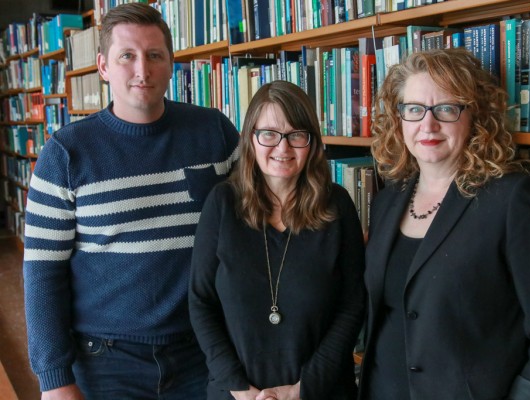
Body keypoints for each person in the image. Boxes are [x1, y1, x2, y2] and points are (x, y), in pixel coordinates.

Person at [23, 3, 239, 399]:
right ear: (104, 66)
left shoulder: (214, 132)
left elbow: (254, 224)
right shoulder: (65, 154)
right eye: (128, 56)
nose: (143, 70)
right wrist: (54, 379)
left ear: (172, 62)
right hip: (106, 361)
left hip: (203, 351)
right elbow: (42, 273)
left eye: (155, 55)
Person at [358, 48, 530, 399]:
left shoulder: (513, 199)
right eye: (414, 109)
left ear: (475, 116)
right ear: (398, 118)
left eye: (447, 109)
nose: (428, 125)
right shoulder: (390, 198)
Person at [188, 80, 365, 400]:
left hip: (321, 391)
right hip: (235, 394)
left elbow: (352, 306)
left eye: (296, 135)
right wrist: (240, 389)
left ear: (311, 142)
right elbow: (201, 301)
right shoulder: (222, 203)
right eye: (268, 133)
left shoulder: (337, 206)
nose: (282, 148)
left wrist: (303, 389)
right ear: (249, 139)